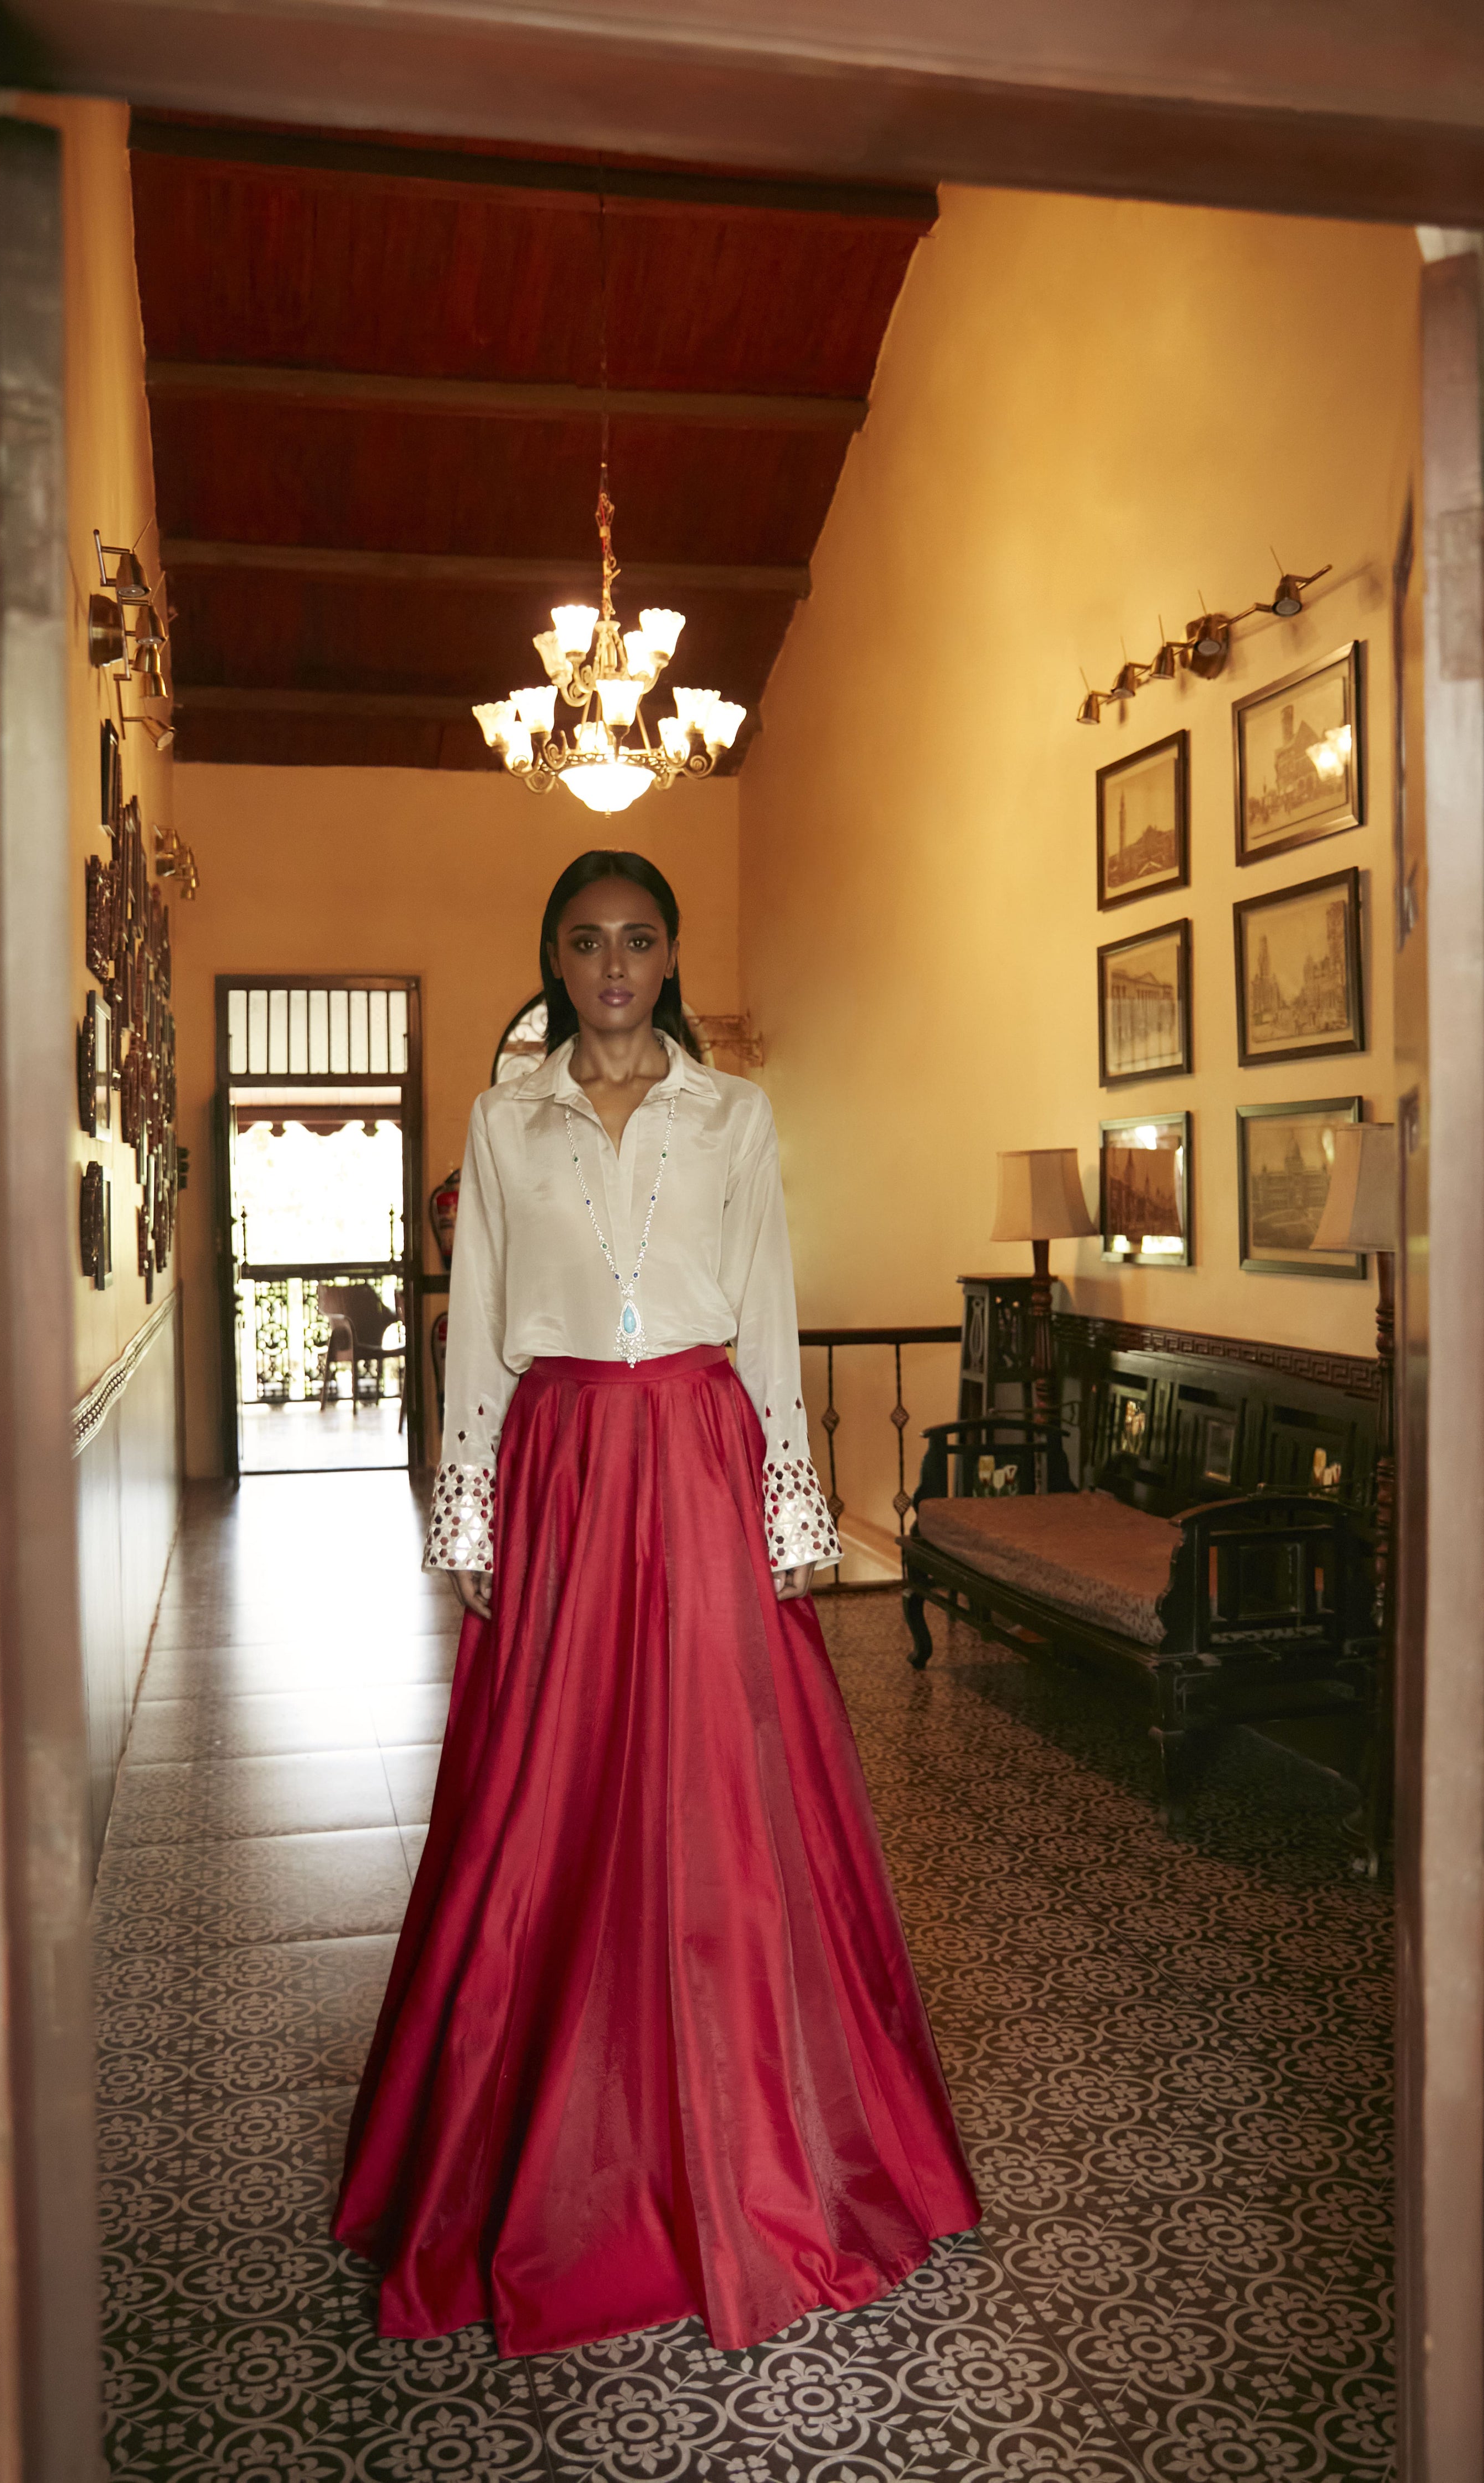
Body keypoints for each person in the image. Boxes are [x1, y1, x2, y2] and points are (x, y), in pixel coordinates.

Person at [333, 849, 979, 2357]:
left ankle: (755, 2143)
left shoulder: (734, 1115)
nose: (613, 963)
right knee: (544, 1792)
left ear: (670, 954)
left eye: (638, 940)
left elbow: (768, 1311)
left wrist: (787, 1504)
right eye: (586, 940)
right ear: (554, 957)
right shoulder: (501, 1125)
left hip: (698, 1456)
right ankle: (549, 2138)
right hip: (560, 1458)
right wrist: (473, 1506)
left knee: (717, 1789)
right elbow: (479, 1321)